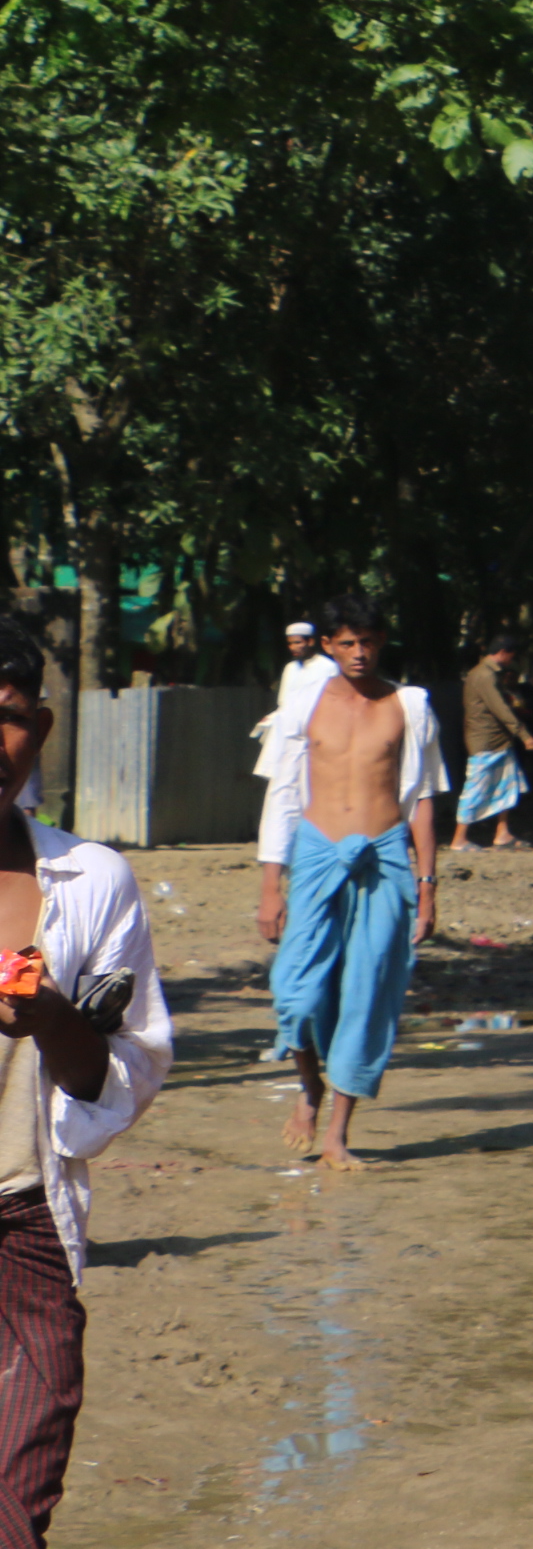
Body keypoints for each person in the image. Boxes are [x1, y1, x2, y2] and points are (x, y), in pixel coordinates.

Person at [0, 611, 172, 1538]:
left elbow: (125, 1073)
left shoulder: (91, 881)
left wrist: (53, 1016)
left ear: (42, 729)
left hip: (26, 1224)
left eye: (10, 714)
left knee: (16, 1504)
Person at [258, 596, 446, 1171]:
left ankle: (337, 1135)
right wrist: (272, 885)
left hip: (385, 857)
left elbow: (425, 799)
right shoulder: (302, 705)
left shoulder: (409, 706)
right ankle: (309, 1088)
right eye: (346, 642)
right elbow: (283, 795)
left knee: (366, 995)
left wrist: (428, 886)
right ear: (327, 645)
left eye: (367, 641)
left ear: (382, 641)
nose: (358, 653)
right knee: (296, 991)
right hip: (315, 854)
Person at [452, 631, 533, 852]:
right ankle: (459, 839)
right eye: (511, 655)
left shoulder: (486, 674)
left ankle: (502, 833)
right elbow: (500, 709)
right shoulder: (485, 676)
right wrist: (525, 735)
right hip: (485, 742)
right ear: (502, 653)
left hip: (498, 741)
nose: (512, 660)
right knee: (475, 788)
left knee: (506, 785)